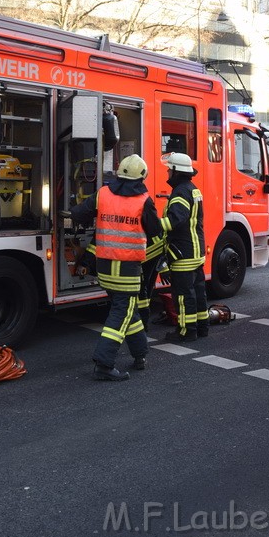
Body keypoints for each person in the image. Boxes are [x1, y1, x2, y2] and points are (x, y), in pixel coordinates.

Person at [70, 154, 162, 381]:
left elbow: (78, 213)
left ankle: (140, 354)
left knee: (127, 311)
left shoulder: (103, 194)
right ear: (142, 177)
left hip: (104, 267)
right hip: (127, 269)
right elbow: (156, 232)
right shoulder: (144, 201)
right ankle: (104, 364)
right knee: (122, 313)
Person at [159, 152, 208, 342]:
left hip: (183, 254)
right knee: (199, 292)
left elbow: (175, 220)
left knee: (182, 295)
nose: (167, 173)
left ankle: (186, 331)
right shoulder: (193, 189)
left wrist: (155, 225)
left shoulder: (180, 192)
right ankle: (202, 326)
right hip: (196, 251)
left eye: (169, 170)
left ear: (175, 171)